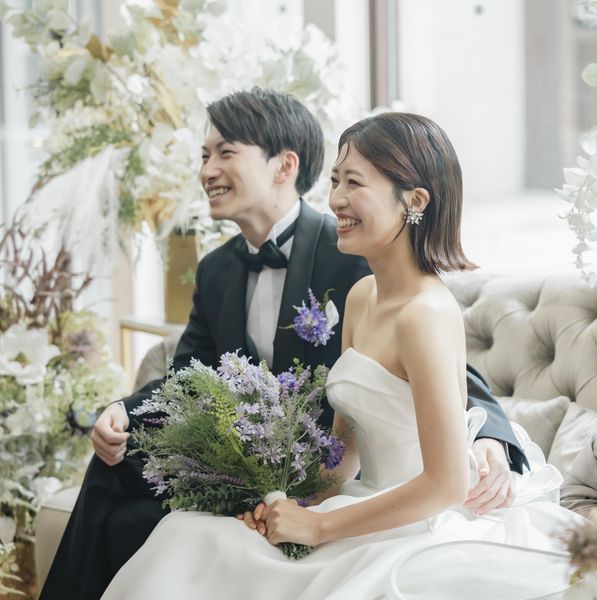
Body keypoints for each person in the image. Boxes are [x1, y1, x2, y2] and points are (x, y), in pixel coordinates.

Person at [41, 92, 524, 600]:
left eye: (225, 152)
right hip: (283, 471)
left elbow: (449, 382)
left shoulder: (356, 257)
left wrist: (491, 439)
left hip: (399, 508)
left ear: (284, 166)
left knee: (188, 543)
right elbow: (191, 376)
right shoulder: (246, 274)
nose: (207, 170)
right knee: (120, 477)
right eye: (335, 182)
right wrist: (125, 411)